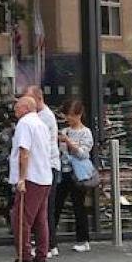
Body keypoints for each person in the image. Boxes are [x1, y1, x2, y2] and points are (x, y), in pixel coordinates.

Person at [6, 94, 53, 262]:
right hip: (44, 177)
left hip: (31, 178)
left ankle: (25, 258)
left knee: (21, 219)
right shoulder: (41, 124)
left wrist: (21, 179)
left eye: (17, 107)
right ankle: (41, 258)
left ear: (26, 108)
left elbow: (24, 152)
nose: (15, 110)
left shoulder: (25, 124)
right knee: (41, 220)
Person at [52, 99, 93, 254]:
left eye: (72, 115)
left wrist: (68, 142)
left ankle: (83, 240)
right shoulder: (65, 131)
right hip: (63, 172)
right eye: (67, 115)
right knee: (56, 205)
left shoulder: (86, 132)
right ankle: (50, 239)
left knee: (79, 207)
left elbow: (83, 154)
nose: (69, 118)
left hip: (78, 174)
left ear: (79, 114)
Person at [24, 85, 61, 256]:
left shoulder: (44, 117)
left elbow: (36, 144)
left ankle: (49, 245)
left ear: (38, 99)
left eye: (29, 99)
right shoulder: (39, 116)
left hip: (47, 167)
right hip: (44, 167)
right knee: (41, 210)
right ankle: (46, 245)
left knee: (44, 209)